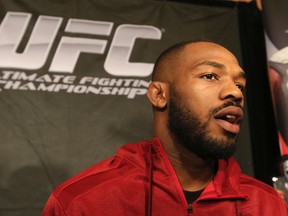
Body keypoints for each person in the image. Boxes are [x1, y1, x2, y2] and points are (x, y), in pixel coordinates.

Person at [41, 41, 288, 215]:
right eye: (210, 76)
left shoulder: (267, 205)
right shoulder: (82, 201)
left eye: (240, 85)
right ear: (159, 94)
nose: (235, 92)